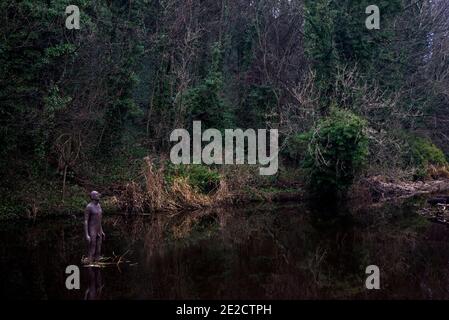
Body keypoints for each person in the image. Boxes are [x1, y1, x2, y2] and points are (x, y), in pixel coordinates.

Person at [84, 191, 105, 263]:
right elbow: (86, 221)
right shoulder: (89, 207)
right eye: (96, 194)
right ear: (92, 197)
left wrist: (102, 230)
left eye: (98, 194)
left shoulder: (99, 205)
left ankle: (97, 260)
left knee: (99, 247)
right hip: (92, 229)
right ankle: (90, 261)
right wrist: (87, 234)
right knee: (92, 247)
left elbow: (99, 219)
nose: (98, 195)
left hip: (99, 229)